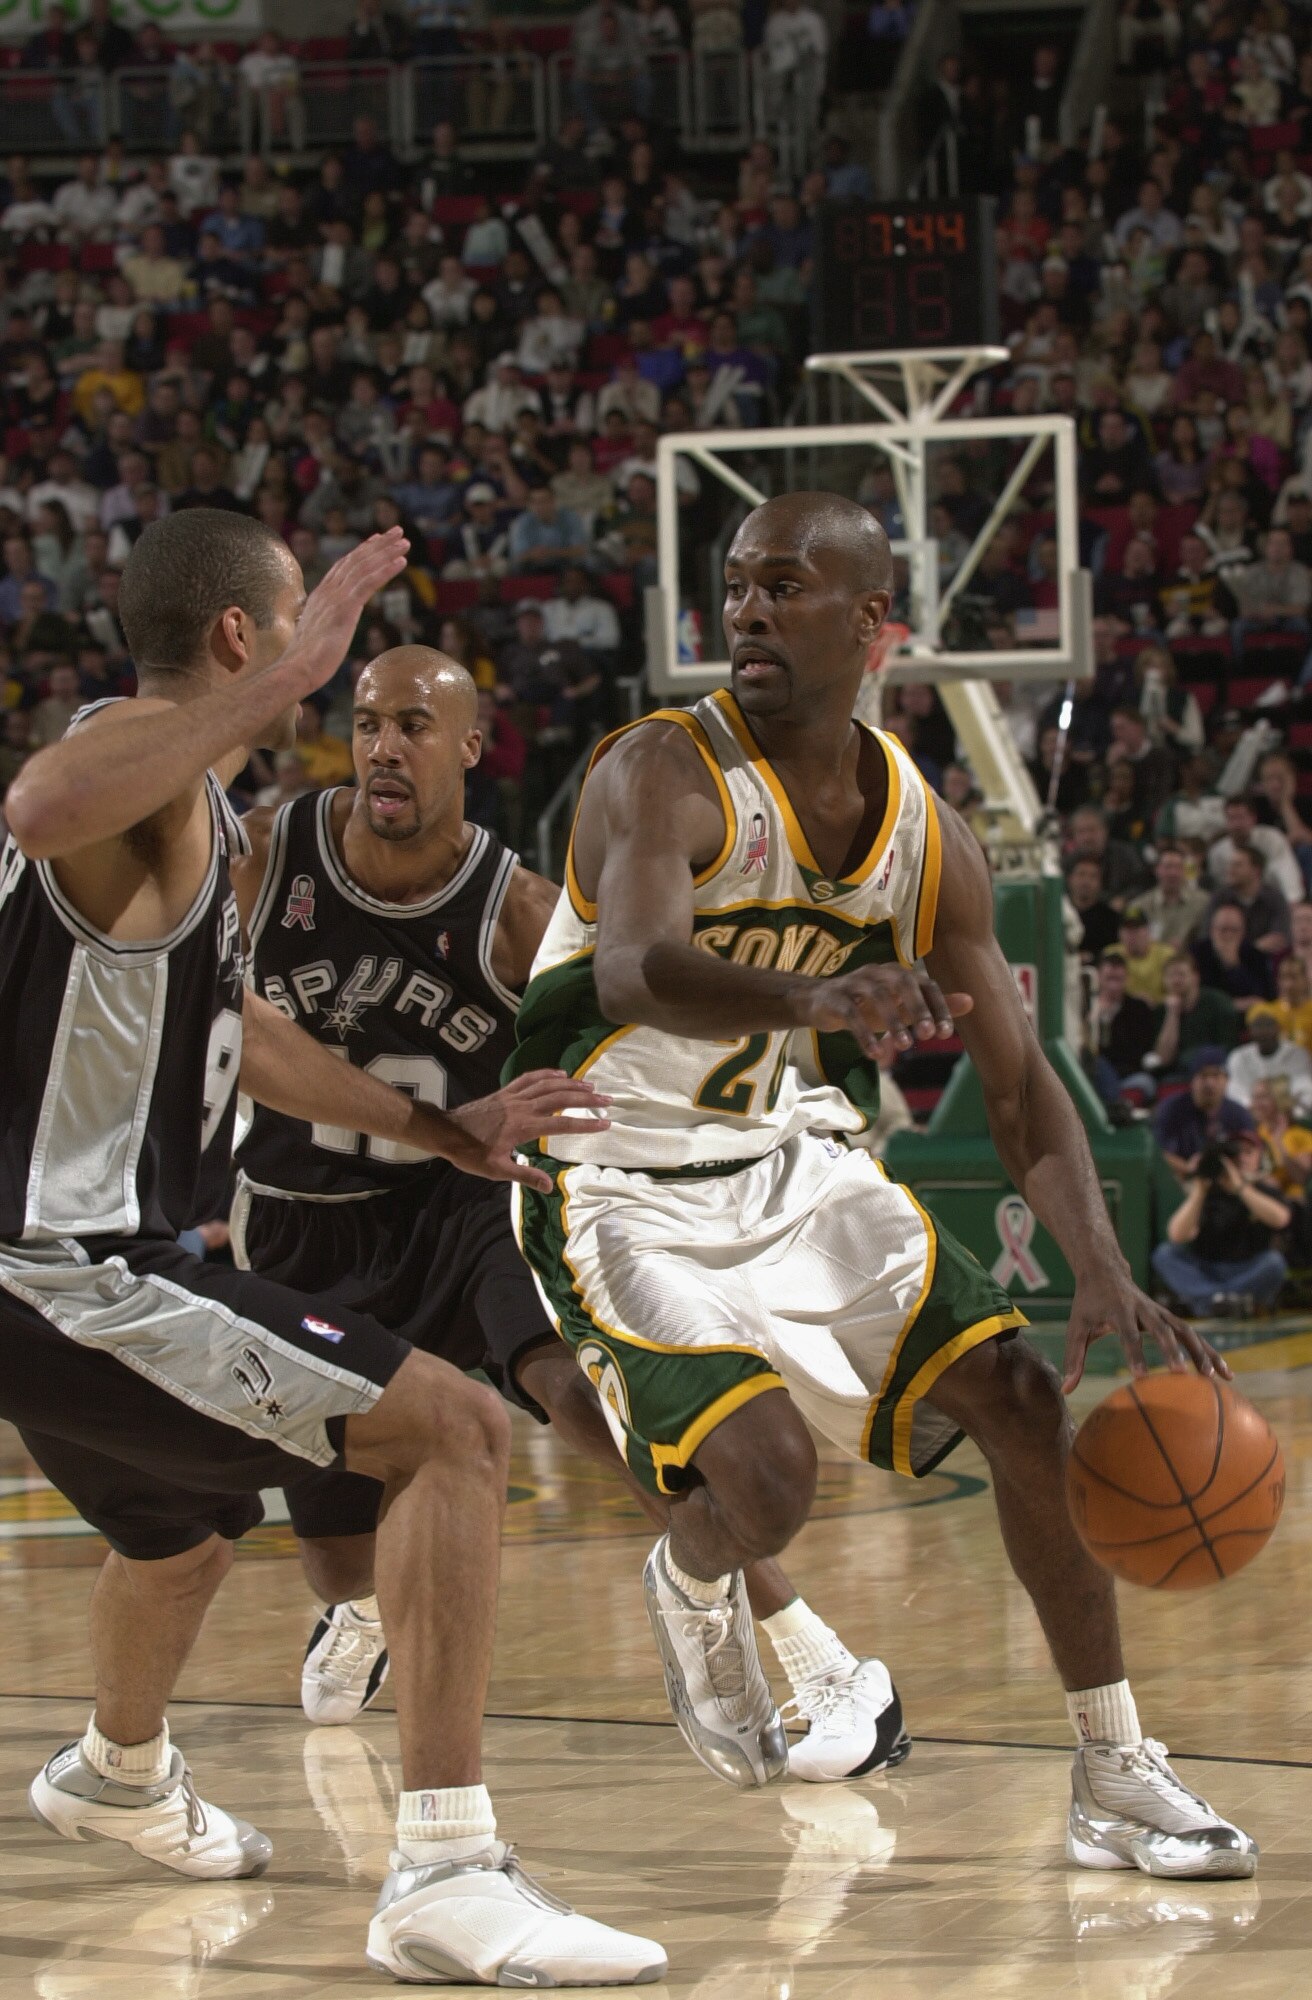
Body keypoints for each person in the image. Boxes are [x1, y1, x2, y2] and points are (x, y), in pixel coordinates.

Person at [508, 490, 1252, 1870]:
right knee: (769, 1478)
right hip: (612, 1176)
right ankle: (694, 1572)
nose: (746, 611)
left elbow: (1020, 1086)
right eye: (737, 584)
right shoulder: (661, 767)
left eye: (783, 586)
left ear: (870, 624)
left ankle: (1115, 1771)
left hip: (784, 1161)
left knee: (1023, 1398)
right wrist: (818, 998)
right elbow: (632, 970)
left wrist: (1099, 1263)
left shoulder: (927, 831)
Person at [0, 509, 663, 1987]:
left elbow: (251, 1037)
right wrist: (290, 677)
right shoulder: (127, 764)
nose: (328, 664)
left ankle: (116, 1770)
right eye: (303, 627)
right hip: (72, 1268)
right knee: (456, 1432)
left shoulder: (194, 815)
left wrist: (441, 1128)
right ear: (243, 637)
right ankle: (446, 1868)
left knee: (180, 1537)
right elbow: (36, 805)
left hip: (58, 1274)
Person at [231, 644, 889, 1776]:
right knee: (338, 1558)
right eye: (370, 722)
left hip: (470, 1202)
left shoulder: (520, 913)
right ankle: (361, 1609)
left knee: (588, 1399)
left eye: (414, 726)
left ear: (470, 748)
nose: (385, 747)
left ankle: (813, 1654)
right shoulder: (264, 859)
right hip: (305, 1221)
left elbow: (640, 1035)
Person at [1152, 1129, 1289, 1317]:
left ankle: (1210, 1301)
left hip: (1248, 1268)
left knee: (1274, 1263)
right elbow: (1177, 1235)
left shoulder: (1265, 1189)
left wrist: (1240, 1187)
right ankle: (1225, 1301)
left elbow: (1281, 1219)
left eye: (1248, 1152)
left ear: (1260, 1157)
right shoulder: (1208, 1193)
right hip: (1207, 1269)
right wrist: (1199, 1190)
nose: (1242, 1158)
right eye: (1236, 1153)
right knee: (1164, 1254)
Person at [1153, 1047, 1256, 1181]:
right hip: (1184, 1180)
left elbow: (1252, 1150)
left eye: (1216, 1075)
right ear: (1192, 1080)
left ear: (1226, 1081)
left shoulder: (1239, 1114)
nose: (1209, 1083)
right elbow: (1158, 1152)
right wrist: (1187, 1167)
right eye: (1203, 1075)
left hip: (1230, 1180)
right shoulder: (1171, 1109)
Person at [1150, 953, 1241, 1080]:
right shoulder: (1161, 1011)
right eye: (1170, 976)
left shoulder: (1217, 1002)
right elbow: (1163, 1059)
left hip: (1216, 1069)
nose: (1176, 980)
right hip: (1176, 1074)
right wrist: (1172, 1014)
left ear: (1195, 977)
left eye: (1181, 974)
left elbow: (1229, 1046)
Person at [1091, 950, 1159, 1104]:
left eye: (1118, 979)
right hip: (1097, 1072)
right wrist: (1098, 1017)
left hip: (1129, 1074)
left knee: (1146, 1083)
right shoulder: (1088, 1008)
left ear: (1127, 979)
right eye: (1109, 979)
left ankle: (1114, 1105)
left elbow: (1142, 1047)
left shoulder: (1139, 1008)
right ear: (1099, 978)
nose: (1113, 985)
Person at [1226, 1005, 1312, 1119]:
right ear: (1250, 1031)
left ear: (1278, 1028)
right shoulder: (1239, 1057)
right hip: (1251, 1119)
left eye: (1268, 1025)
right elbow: (1235, 1094)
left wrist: (1291, 1115)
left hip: (1292, 1119)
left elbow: (1306, 1092)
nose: (1263, 1031)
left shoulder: (1296, 1054)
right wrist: (1257, 1112)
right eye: (1258, 1026)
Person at [1193, 898, 1275, 1002]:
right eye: (1223, 930)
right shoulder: (1197, 953)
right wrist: (1231, 1005)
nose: (1228, 936)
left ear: (1243, 932)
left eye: (1234, 930)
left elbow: (1263, 996)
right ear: (1212, 931)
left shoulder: (1256, 956)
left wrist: (1234, 966)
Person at [1138, 841, 1210, 948]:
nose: (1173, 873)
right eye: (1168, 867)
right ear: (1157, 870)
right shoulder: (1141, 906)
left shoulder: (1203, 902)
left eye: (1178, 867)